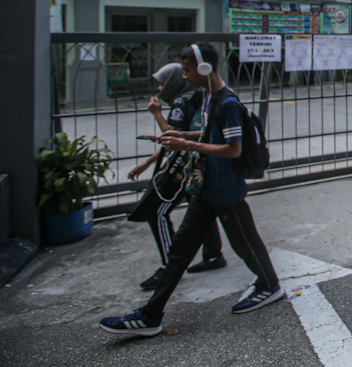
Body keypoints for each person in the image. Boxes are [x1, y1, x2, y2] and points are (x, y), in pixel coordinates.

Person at [100, 43, 282, 337]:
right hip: (205, 188)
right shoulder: (209, 97)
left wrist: (187, 144)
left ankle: (269, 286)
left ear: (205, 69)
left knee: (246, 244)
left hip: (225, 190)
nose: (183, 77)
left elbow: (233, 150)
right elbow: (211, 132)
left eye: (186, 70)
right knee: (180, 253)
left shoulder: (228, 103)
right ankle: (150, 315)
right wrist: (184, 134)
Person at [128, 63, 226, 292]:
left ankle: (169, 266)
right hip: (198, 164)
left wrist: (157, 114)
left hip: (184, 167)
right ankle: (213, 255)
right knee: (201, 207)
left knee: (157, 212)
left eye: (163, 83)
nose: (160, 88)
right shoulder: (200, 96)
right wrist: (147, 163)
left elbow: (172, 138)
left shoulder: (182, 101)